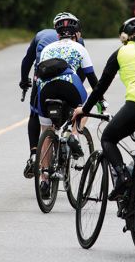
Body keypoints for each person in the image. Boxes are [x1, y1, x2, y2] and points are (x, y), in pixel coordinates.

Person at [72, 17, 135, 201]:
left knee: (108, 138)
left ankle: (122, 177)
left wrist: (85, 110)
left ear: (125, 36)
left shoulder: (122, 51)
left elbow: (101, 86)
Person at [37, 13, 105, 198]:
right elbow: (92, 79)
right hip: (70, 84)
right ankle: (74, 133)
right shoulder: (79, 47)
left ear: (57, 33)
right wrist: (101, 101)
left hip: (45, 89)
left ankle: (44, 179)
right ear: (76, 33)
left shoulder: (47, 48)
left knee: (46, 131)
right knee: (83, 109)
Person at [19, 12, 85, 179]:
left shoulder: (40, 35)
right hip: (67, 82)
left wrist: (23, 80)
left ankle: (35, 156)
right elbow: (82, 70)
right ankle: (71, 136)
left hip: (42, 81)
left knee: (36, 116)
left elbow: (27, 61)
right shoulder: (78, 40)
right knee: (76, 108)